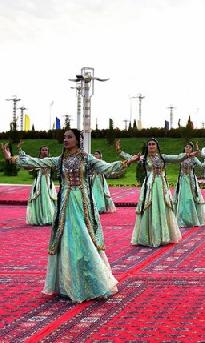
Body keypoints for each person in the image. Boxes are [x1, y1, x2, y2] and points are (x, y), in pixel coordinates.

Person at [2, 129, 135, 302]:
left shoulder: (86, 158)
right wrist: (12, 158)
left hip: (82, 204)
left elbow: (107, 168)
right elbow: (37, 163)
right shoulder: (60, 159)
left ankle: (93, 283)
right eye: (64, 137)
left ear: (77, 140)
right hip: (65, 203)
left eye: (69, 137)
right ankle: (68, 285)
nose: (65, 140)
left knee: (84, 239)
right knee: (67, 241)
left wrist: (127, 162)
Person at [117, 138, 189, 247]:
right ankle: (149, 236)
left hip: (161, 186)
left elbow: (177, 158)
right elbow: (129, 158)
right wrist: (119, 151)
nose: (151, 146)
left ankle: (164, 235)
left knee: (163, 207)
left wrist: (187, 155)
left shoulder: (162, 157)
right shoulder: (144, 158)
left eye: (153, 144)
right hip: (150, 186)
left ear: (156, 146)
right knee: (149, 207)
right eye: (149, 144)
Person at [23, 144, 57, 225]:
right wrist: (24, 161)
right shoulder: (36, 161)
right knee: (39, 200)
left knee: (48, 199)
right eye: (43, 150)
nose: (45, 151)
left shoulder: (51, 160)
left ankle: (49, 218)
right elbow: (27, 167)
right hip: (38, 182)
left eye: (46, 150)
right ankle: (39, 219)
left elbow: (55, 169)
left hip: (48, 183)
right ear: (40, 151)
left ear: (48, 152)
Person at [174, 142, 205, 227]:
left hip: (191, 180)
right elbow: (175, 159)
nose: (187, 148)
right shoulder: (181, 156)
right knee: (182, 198)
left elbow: (202, 166)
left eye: (189, 147)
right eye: (186, 147)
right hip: (182, 180)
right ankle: (182, 219)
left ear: (192, 149)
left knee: (190, 198)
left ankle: (191, 219)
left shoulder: (194, 158)